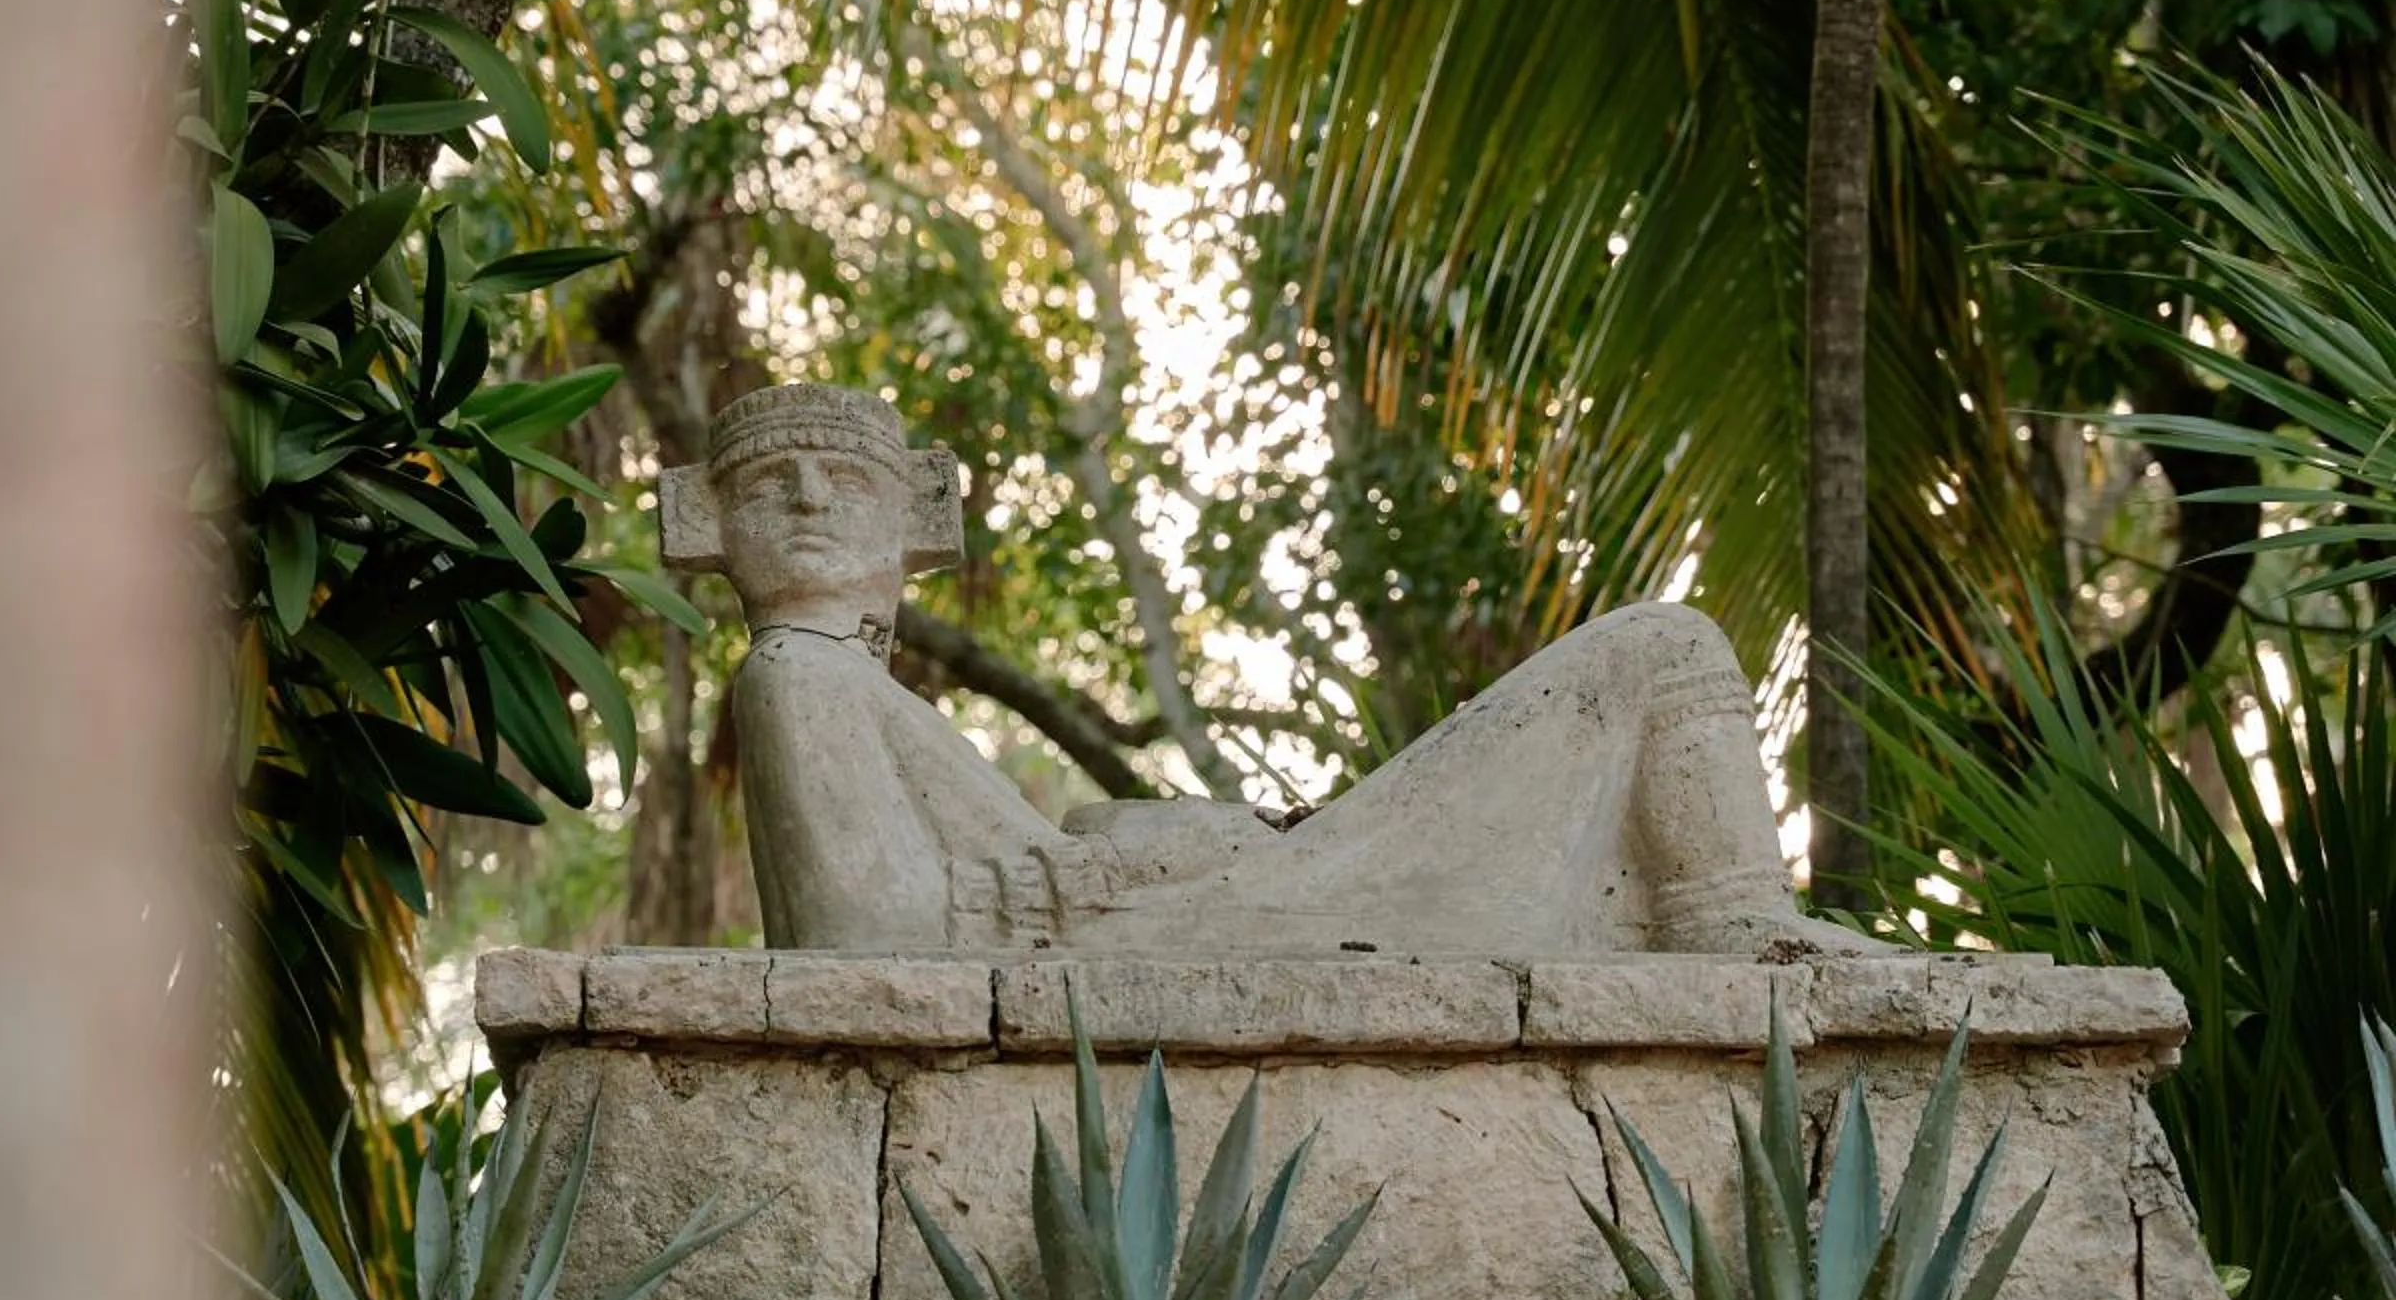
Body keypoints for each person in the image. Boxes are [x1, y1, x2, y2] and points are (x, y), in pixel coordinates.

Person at [663, 383, 1868, 959]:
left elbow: (958, 880)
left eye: (845, 481)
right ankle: (1740, 931)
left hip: (1209, 909)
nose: (812, 500)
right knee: (1660, 650)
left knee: (1654, 654)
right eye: (773, 487)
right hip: (1190, 929)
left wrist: (1126, 839)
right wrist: (1117, 871)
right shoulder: (796, 675)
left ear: (913, 515)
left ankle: (1737, 930)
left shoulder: (843, 685)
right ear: (704, 523)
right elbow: (862, 932)